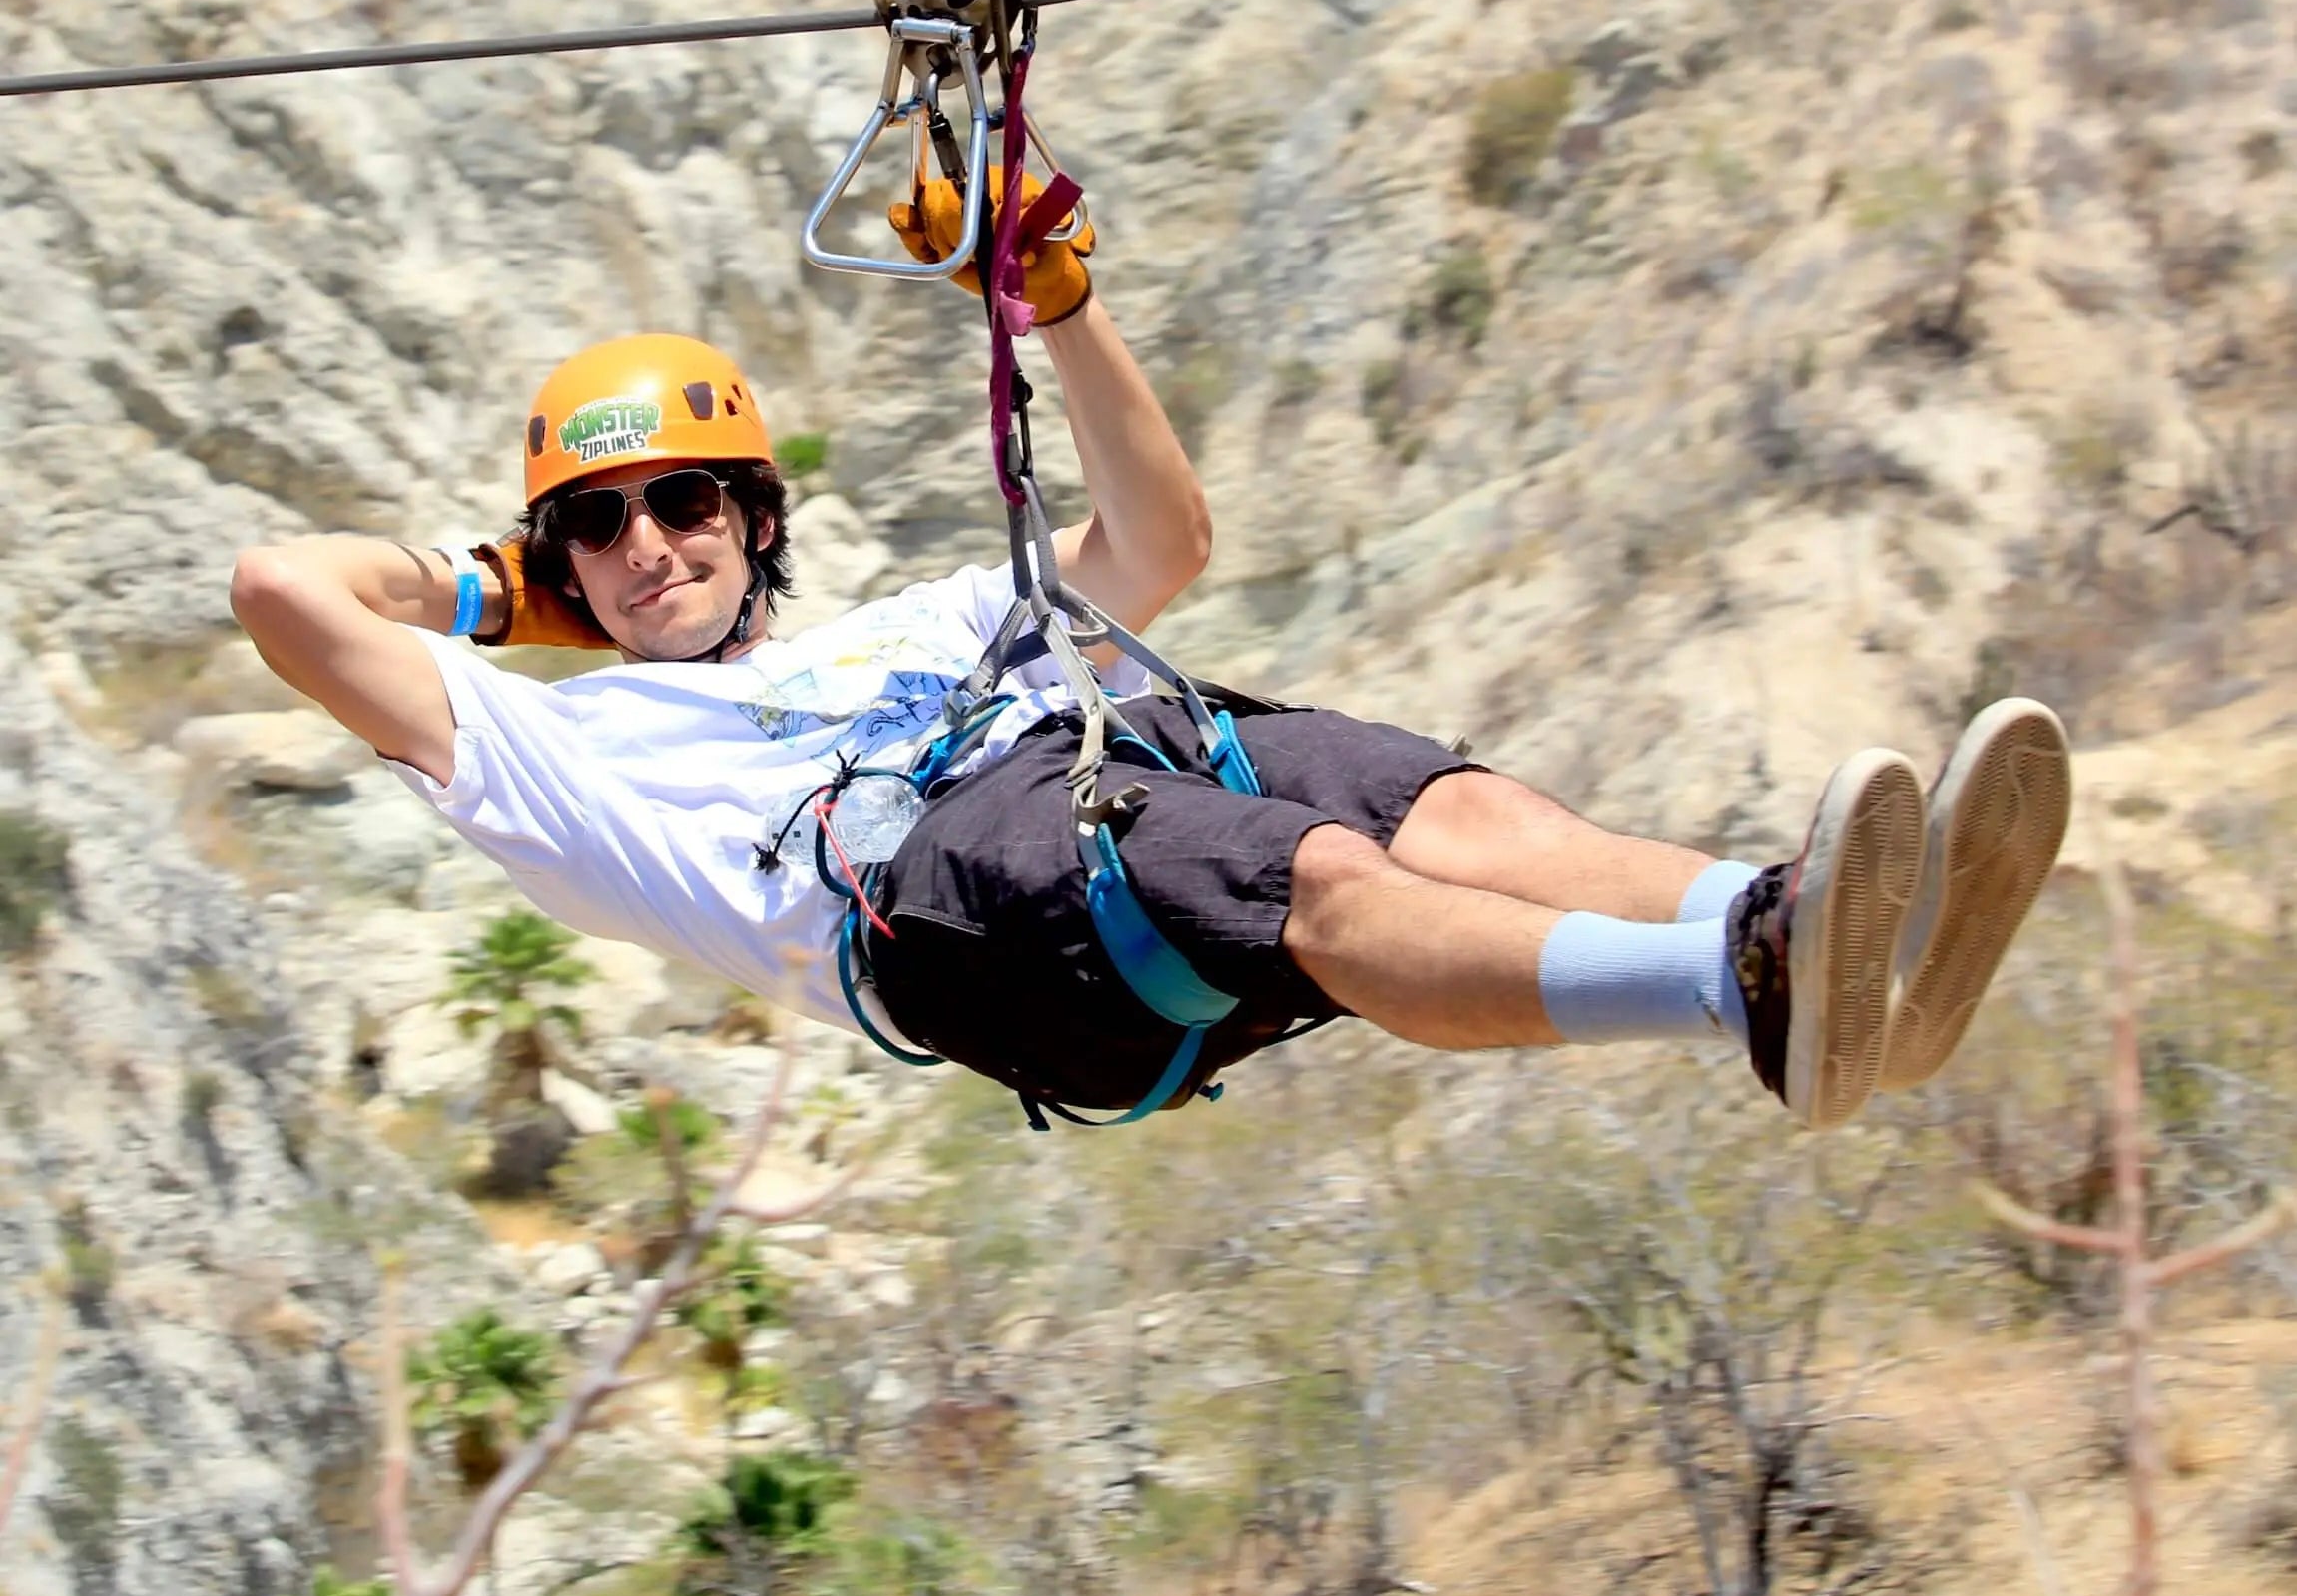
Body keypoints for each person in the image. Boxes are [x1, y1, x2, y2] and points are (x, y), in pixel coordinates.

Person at [230, 188, 2072, 1131]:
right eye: (599, 526)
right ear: (552, 559)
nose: (649, 546)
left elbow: (1161, 545)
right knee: (1316, 876)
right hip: (941, 902)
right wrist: (499, 598)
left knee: (1428, 798)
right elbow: (284, 593)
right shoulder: (584, 753)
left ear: (757, 511)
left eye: (685, 500)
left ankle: (1819, 927)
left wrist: (1055, 303)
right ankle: (1739, 986)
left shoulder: (933, 615)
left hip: (1102, 761)